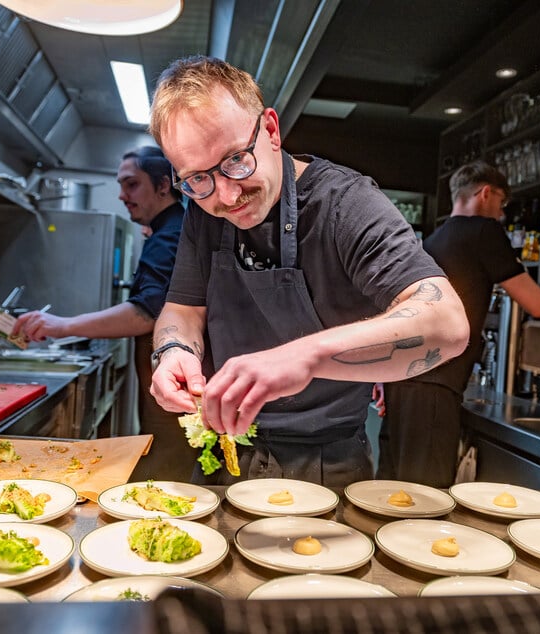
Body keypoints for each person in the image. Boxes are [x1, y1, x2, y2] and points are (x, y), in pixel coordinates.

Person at [145, 55, 470, 487]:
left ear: (272, 131)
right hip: (224, 454)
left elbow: (447, 323)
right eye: (197, 179)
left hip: (327, 465)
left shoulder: (346, 203)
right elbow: (183, 309)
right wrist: (173, 353)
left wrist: (303, 356)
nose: (226, 194)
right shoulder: (205, 210)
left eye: (237, 160)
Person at [376, 161, 540, 488]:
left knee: (391, 492)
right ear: (485, 193)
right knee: (424, 499)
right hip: (435, 385)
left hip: (402, 381)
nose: (502, 214)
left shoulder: (434, 240)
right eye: (502, 204)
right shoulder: (484, 232)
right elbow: (539, 304)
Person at [12, 146, 198, 480]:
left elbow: (146, 314)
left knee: (170, 473)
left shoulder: (171, 235)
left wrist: (62, 325)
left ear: (163, 186)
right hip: (165, 385)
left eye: (131, 184)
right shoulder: (164, 230)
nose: (122, 195)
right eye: (121, 185)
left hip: (172, 386)